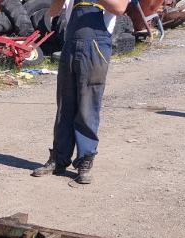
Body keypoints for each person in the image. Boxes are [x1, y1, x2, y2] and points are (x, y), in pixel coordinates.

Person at [32, 0, 130, 183]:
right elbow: (53, 11)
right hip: (70, 46)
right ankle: (59, 159)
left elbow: (119, 8)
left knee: (87, 106)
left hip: (95, 48)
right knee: (64, 106)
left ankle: (85, 160)